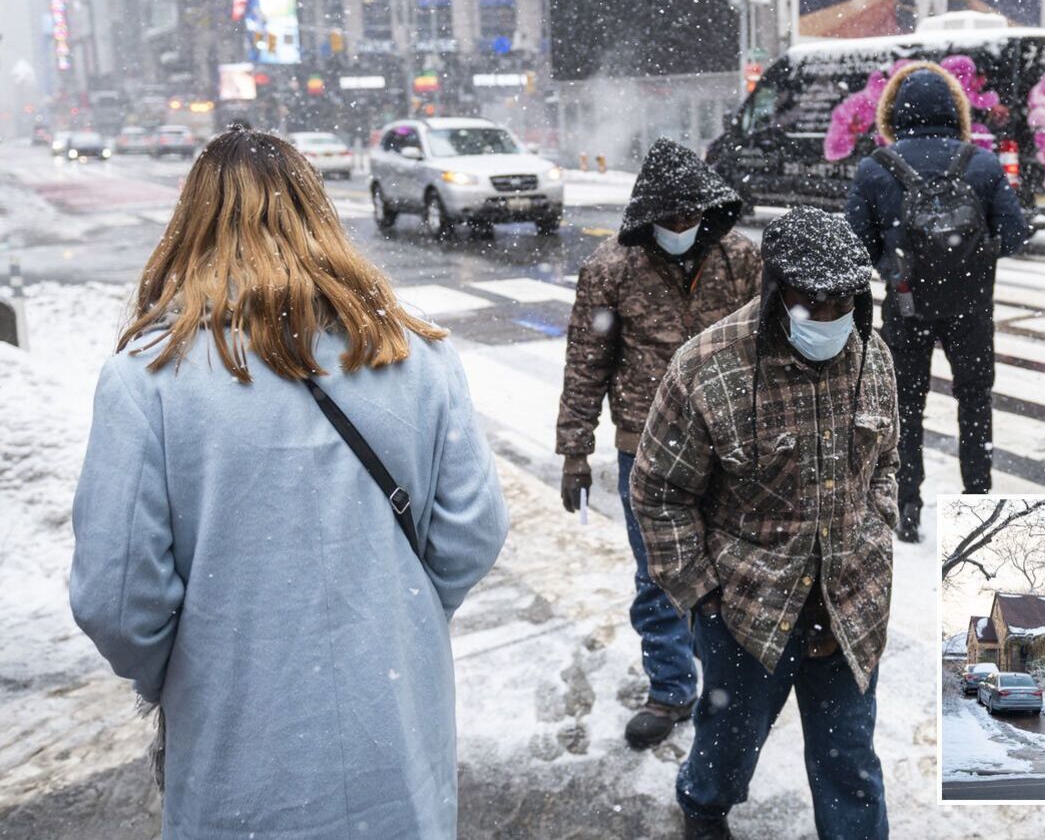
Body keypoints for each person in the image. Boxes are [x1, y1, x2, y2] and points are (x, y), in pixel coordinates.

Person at [69, 127, 508, 838]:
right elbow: (474, 532)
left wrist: (188, 666)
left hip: (239, 752)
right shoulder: (417, 354)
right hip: (392, 734)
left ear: (192, 226)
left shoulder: (146, 380)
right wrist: (392, 617)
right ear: (319, 215)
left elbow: (116, 598)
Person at [631, 207, 899, 840]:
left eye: (844, 301)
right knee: (727, 744)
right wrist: (702, 593)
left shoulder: (873, 356)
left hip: (848, 603)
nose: (830, 317)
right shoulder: (708, 367)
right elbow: (658, 490)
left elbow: (887, 461)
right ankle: (704, 808)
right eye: (814, 301)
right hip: (746, 608)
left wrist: (876, 531)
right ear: (778, 291)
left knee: (850, 762)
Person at [556, 137, 759, 749]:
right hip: (644, 447)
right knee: (659, 574)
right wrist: (574, 449)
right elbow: (586, 362)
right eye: (668, 218)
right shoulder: (610, 270)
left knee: (731, 569)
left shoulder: (738, 261)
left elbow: (769, 349)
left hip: (729, 444)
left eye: (689, 215)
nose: (680, 227)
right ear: (646, 216)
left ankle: (728, 683)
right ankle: (671, 688)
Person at [846, 61, 1030, 542]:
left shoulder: (875, 168)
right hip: (972, 310)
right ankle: (977, 496)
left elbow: (856, 248)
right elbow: (1014, 235)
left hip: (905, 309)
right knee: (974, 403)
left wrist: (896, 258)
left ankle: (908, 506)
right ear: (956, 111)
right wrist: (971, 250)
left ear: (894, 113)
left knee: (905, 409)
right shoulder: (983, 164)